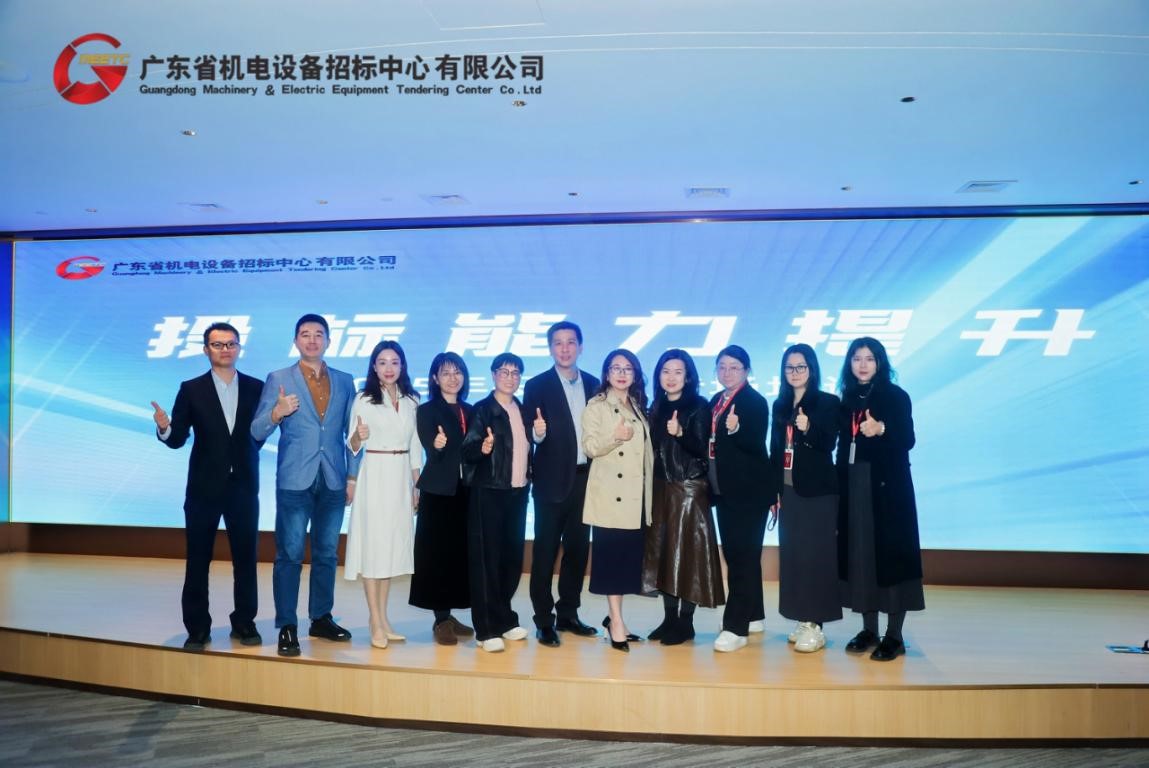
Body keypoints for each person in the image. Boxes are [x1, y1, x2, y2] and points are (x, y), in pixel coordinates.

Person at [152, 322, 264, 650]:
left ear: (239, 348)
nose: (225, 349)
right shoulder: (191, 389)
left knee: (246, 559)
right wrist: (164, 428)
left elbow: (261, 432)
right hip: (203, 489)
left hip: (243, 486)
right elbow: (178, 438)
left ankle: (244, 622)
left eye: (231, 344)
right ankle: (198, 628)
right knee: (198, 561)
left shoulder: (257, 387)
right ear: (206, 350)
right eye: (217, 344)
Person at [251, 313, 356, 657]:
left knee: (327, 553)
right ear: (296, 340)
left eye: (318, 334)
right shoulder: (279, 378)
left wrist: (352, 476)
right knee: (290, 554)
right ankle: (287, 625)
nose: (312, 340)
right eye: (305, 334)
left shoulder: (345, 381)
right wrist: (277, 412)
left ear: (328, 340)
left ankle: (321, 618)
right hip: (295, 480)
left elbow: (352, 435)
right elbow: (256, 430)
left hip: (334, 479)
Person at [836, 336, 924, 662]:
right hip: (854, 485)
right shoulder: (847, 399)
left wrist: (882, 428)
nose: (862, 365)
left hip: (888, 490)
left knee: (891, 559)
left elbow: (908, 439)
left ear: (880, 363)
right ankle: (869, 629)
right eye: (857, 358)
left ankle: (894, 636)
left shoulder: (896, 396)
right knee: (861, 557)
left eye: (869, 359)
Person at [522, 321, 600, 648]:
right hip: (551, 482)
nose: (565, 348)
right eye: (558, 342)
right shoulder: (537, 385)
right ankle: (544, 620)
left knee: (578, 551)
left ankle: (568, 613)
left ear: (580, 346)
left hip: (586, 480)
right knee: (545, 553)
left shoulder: (595, 384)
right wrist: (537, 433)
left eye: (570, 342)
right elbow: (529, 432)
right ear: (550, 347)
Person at [642, 349, 724, 645]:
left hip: (689, 489)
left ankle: (686, 622)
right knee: (664, 553)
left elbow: (703, 448)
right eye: (666, 371)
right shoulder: (655, 406)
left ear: (688, 376)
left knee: (689, 555)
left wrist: (680, 433)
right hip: (661, 488)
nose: (671, 377)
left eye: (678, 372)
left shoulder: (699, 406)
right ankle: (669, 619)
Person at [345, 341, 421, 649]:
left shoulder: (412, 400)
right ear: (374, 367)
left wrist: (417, 485)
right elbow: (352, 445)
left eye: (394, 362)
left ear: (402, 366)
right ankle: (374, 620)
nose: (389, 368)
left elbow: (415, 445)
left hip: (401, 476)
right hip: (375, 474)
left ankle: (384, 619)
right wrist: (357, 437)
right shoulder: (364, 399)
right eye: (382, 362)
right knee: (374, 549)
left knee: (389, 550)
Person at [769, 344, 842, 653]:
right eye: (790, 367)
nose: (795, 372)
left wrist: (809, 427)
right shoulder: (780, 404)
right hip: (788, 491)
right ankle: (803, 618)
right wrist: (773, 490)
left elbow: (829, 444)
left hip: (817, 492)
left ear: (812, 369)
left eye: (801, 367)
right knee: (794, 557)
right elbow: (776, 449)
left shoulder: (827, 402)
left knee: (816, 557)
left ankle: (816, 624)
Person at [581, 349, 653, 653]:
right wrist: (616, 437)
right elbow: (589, 447)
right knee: (611, 564)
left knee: (625, 565)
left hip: (635, 498)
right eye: (616, 368)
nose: (622, 374)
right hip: (610, 496)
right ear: (607, 374)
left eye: (628, 369)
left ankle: (615, 619)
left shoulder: (638, 404)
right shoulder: (596, 405)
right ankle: (617, 623)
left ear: (635, 374)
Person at [460, 353, 531, 653]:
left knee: (510, 560)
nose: (510, 377)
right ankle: (485, 628)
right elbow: (467, 451)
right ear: (493, 375)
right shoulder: (483, 410)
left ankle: (505, 619)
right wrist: (483, 447)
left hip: (517, 492)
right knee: (486, 562)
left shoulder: (522, 409)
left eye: (515, 373)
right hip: (489, 492)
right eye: (504, 371)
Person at [707, 344, 772, 653]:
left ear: (747, 370)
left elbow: (756, 443)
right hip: (724, 490)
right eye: (722, 367)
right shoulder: (716, 401)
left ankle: (736, 627)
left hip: (749, 492)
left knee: (742, 558)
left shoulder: (754, 402)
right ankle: (753, 615)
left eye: (734, 367)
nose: (727, 372)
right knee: (737, 555)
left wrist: (736, 429)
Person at [410, 352, 475, 646]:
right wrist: (436, 445)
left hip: (466, 492)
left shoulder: (471, 410)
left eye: (457, 372)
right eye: (445, 373)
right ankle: (440, 620)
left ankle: (450, 615)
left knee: (459, 556)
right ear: (435, 378)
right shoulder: (426, 411)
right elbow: (431, 448)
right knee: (437, 556)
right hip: (438, 492)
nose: (452, 378)